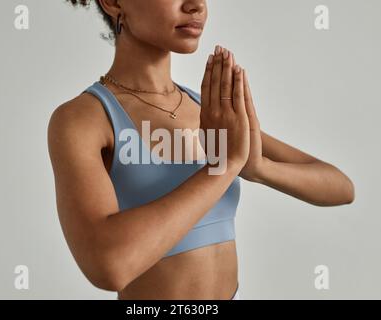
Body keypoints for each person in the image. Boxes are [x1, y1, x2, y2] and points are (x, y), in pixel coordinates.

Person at [47, 0, 355, 300]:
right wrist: (223, 167)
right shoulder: (84, 119)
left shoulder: (203, 109)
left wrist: (257, 167)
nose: (196, 5)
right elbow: (108, 266)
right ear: (113, 3)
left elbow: (341, 187)